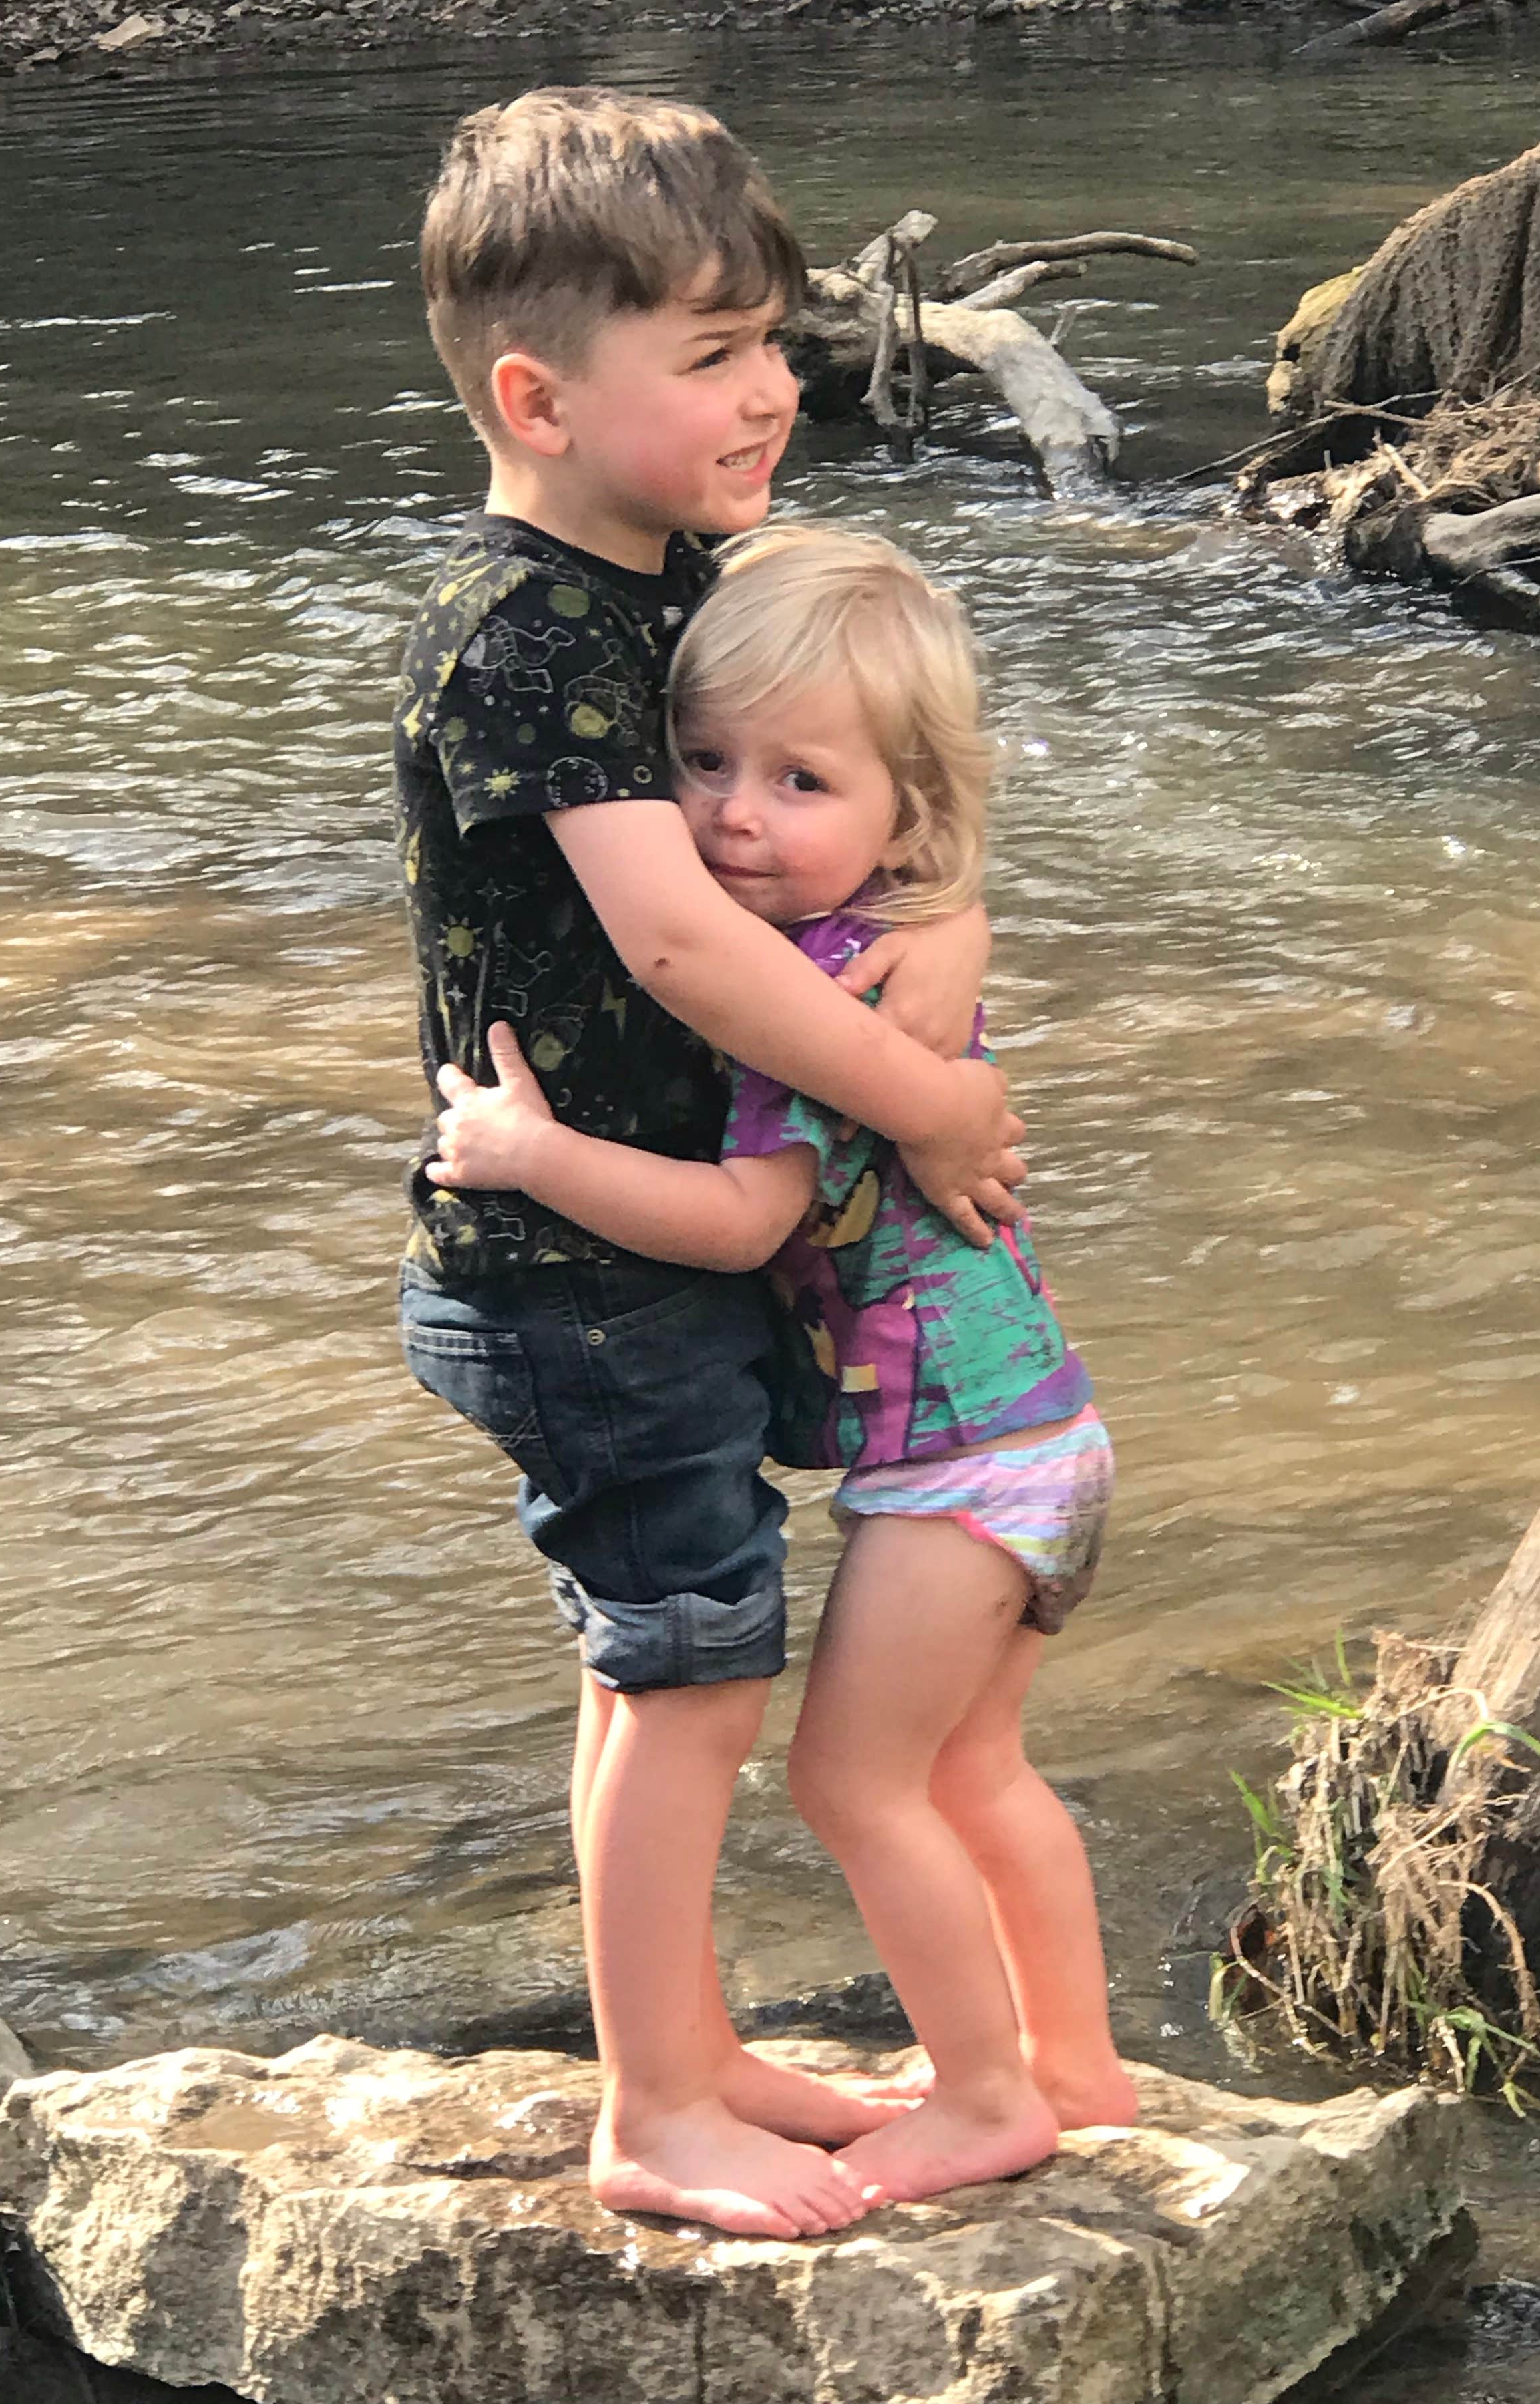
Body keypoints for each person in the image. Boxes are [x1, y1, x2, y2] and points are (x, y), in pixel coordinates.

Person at [394, 88, 1028, 2242]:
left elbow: (881, 805)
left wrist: (941, 956)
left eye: (773, 338)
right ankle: (652, 2110)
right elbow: (672, 939)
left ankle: (682, 2042)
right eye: (713, 353)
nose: (777, 388)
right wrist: (928, 1103)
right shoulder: (528, 636)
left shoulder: (674, 580)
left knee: (654, 1665)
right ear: (537, 398)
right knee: (696, 1673)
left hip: (663, 1247)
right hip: (571, 1258)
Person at [431, 522, 1138, 2204]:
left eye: (800, 781)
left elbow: (744, 1224)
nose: (737, 814)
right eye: (701, 763)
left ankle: (984, 2098)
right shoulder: (900, 936)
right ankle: (1073, 2063)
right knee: (972, 1767)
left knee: (849, 1778)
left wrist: (536, 1160)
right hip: (1042, 1434)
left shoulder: (813, 1001)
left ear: (911, 814)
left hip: (963, 1467)